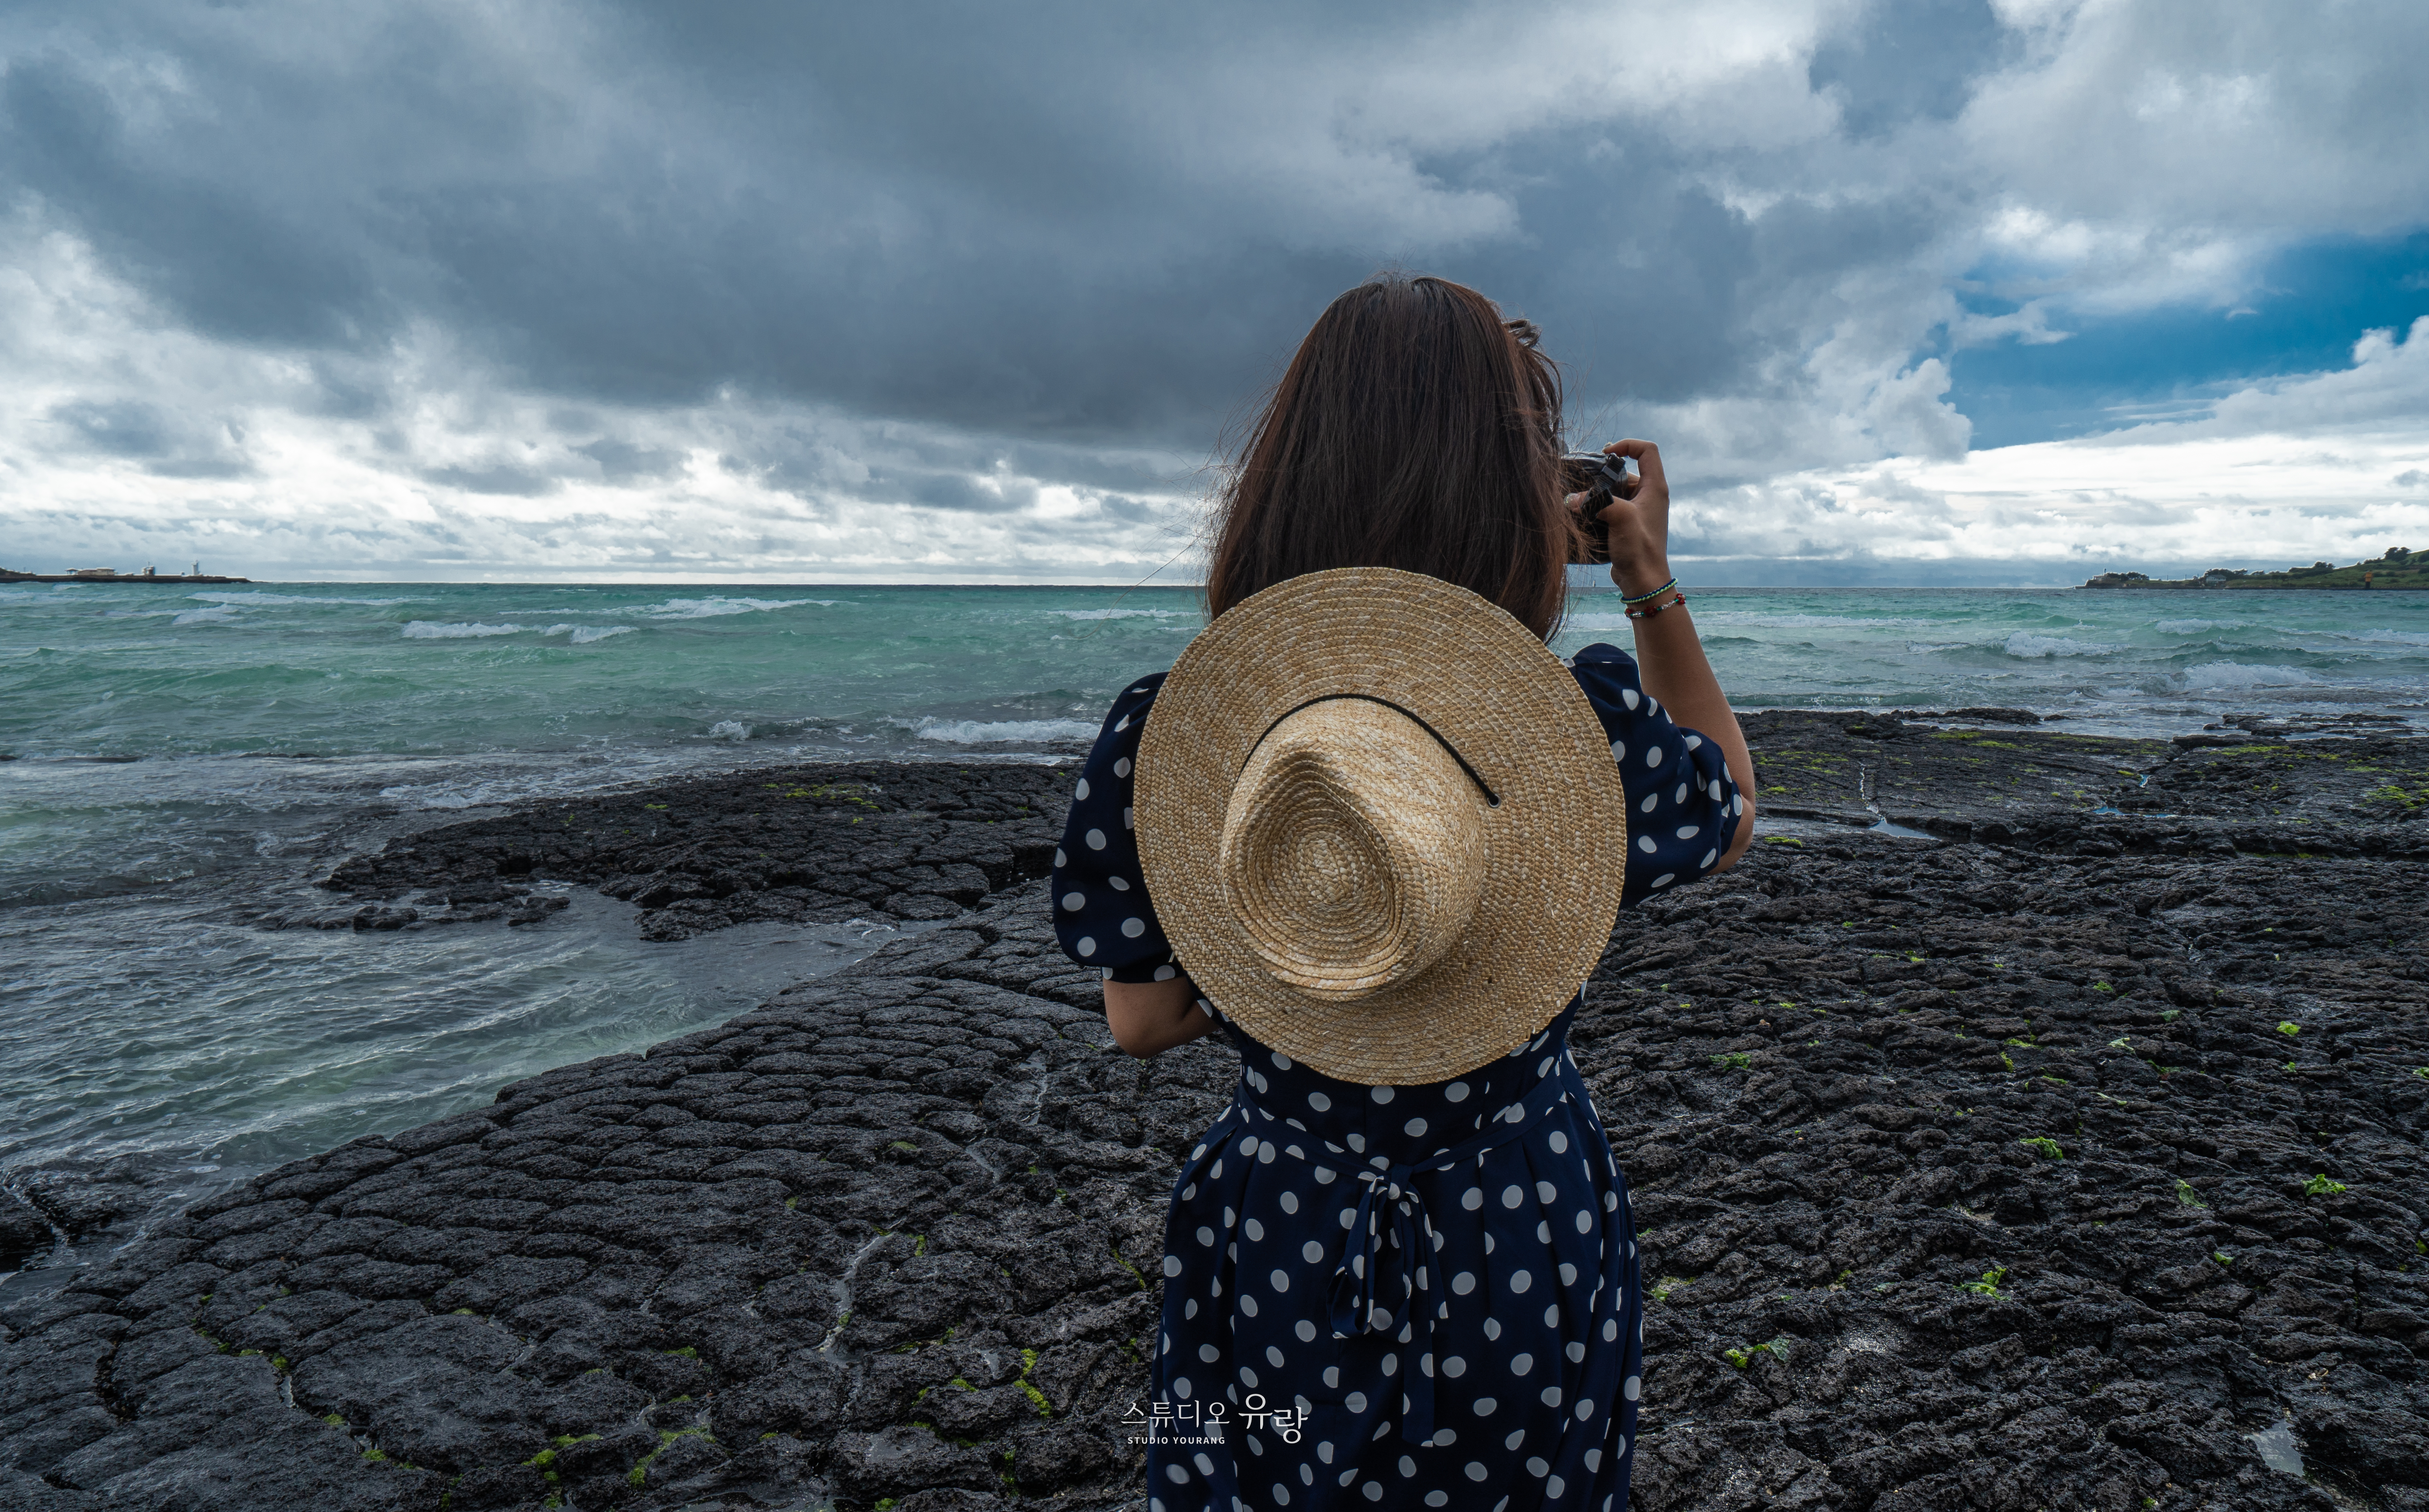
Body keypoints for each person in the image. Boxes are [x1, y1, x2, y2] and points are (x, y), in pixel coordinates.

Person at [1052, 273, 1756, 1512]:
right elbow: (1733, 812)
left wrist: (1321, 948)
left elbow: (1143, 1020)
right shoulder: (1572, 739)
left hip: (1276, 1220)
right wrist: (1646, 577)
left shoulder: (1178, 737)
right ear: (1519, 506)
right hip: (1516, 1221)